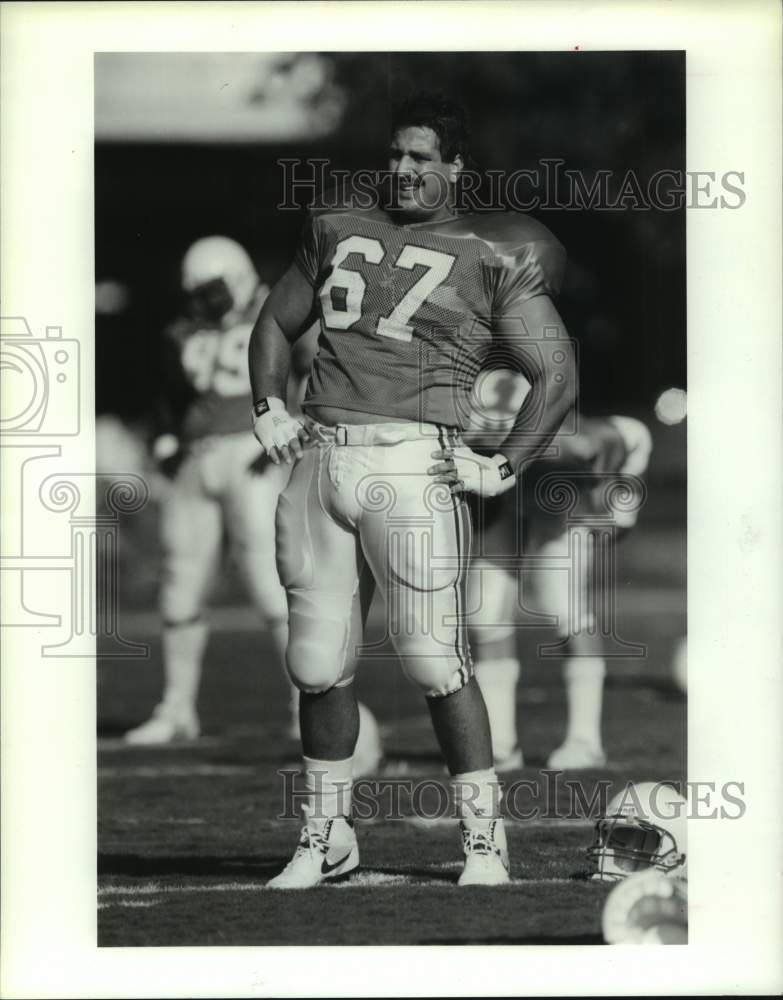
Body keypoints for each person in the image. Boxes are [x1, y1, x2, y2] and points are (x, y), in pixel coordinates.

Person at [248, 94, 576, 887]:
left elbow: (556, 373)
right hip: (321, 457)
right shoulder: (335, 224)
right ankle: (325, 837)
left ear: (455, 167)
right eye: (395, 154)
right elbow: (274, 323)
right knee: (316, 662)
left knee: (434, 660)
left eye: (420, 157)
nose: (401, 169)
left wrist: (504, 464)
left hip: (412, 463)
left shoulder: (494, 252)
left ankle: (483, 840)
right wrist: (266, 406)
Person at [124, 236, 297, 745]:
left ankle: (306, 703)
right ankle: (177, 708)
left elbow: (312, 373)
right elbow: (170, 394)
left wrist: (291, 430)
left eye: (212, 289)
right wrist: (166, 436)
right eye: (197, 291)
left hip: (251, 451)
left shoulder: (275, 312)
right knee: (180, 582)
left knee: (271, 582)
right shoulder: (184, 330)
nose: (203, 300)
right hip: (198, 458)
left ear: (239, 279)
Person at [466, 406, 653, 769]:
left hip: (567, 490)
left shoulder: (580, 445)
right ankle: (500, 744)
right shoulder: (472, 426)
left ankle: (586, 741)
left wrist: (618, 506)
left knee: (563, 601)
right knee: (484, 610)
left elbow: (623, 441)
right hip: (509, 491)